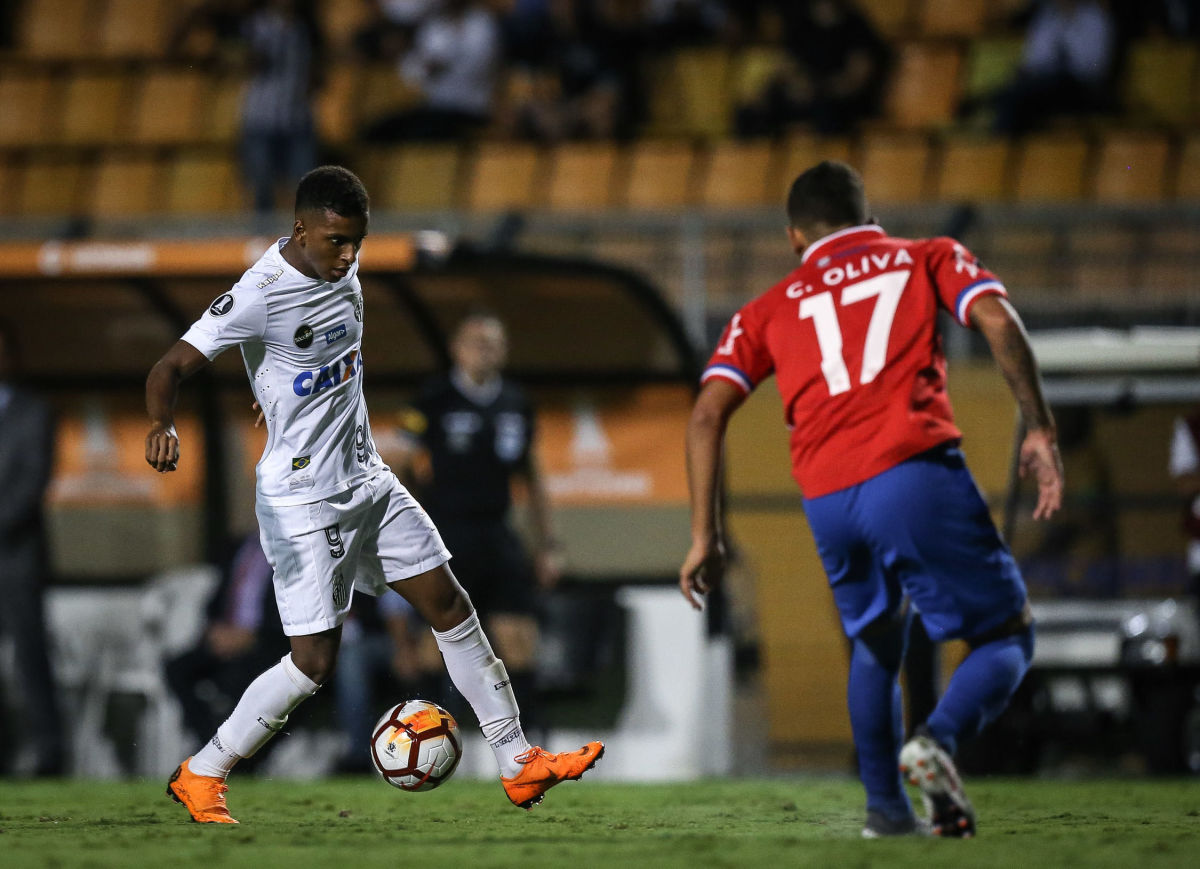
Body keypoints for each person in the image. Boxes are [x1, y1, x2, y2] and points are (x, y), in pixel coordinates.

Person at [145, 165, 601, 824]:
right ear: (300, 229)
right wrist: (162, 423)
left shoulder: (344, 268)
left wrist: (275, 385)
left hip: (368, 479)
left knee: (449, 601)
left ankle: (517, 760)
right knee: (312, 663)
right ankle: (204, 770)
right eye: (335, 242)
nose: (348, 255)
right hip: (305, 500)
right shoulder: (260, 292)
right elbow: (169, 367)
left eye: (357, 241)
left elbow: (313, 360)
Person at [679, 161, 1064, 839]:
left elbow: (707, 413)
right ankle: (937, 742)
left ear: (796, 236)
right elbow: (999, 323)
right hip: (911, 471)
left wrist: (704, 535)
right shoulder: (927, 256)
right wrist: (1037, 424)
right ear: (869, 214)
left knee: (876, 640)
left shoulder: (765, 308)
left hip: (827, 495)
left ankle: (886, 811)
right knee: (1009, 633)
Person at [395, 313, 564, 734]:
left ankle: (531, 749)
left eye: (493, 343)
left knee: (517, 636)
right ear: (457, 348)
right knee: (440, 639)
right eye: (476, 342)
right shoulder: (434, 397)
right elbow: (399, 459)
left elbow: (533, 477)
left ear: (504, 351)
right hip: (446, 533)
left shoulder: (515, 402)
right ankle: (427, 742)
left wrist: (548, 545)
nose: (485, 350)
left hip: (497, 530)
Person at [0, 318, 64, 777]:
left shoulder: (34, 410)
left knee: (30, 658)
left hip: (16, 556)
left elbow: (30, 486)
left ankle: (49, 754)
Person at [163, 532, 288, 748]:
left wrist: (253, 636)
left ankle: (239, 756)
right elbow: (217, 598)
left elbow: (289, 606)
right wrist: (215, 628)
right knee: (177, 669)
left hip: (267, 642)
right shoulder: (238, 547)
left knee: (238, 679)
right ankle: (211, 745)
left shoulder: (292, 549)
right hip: (226, 637)